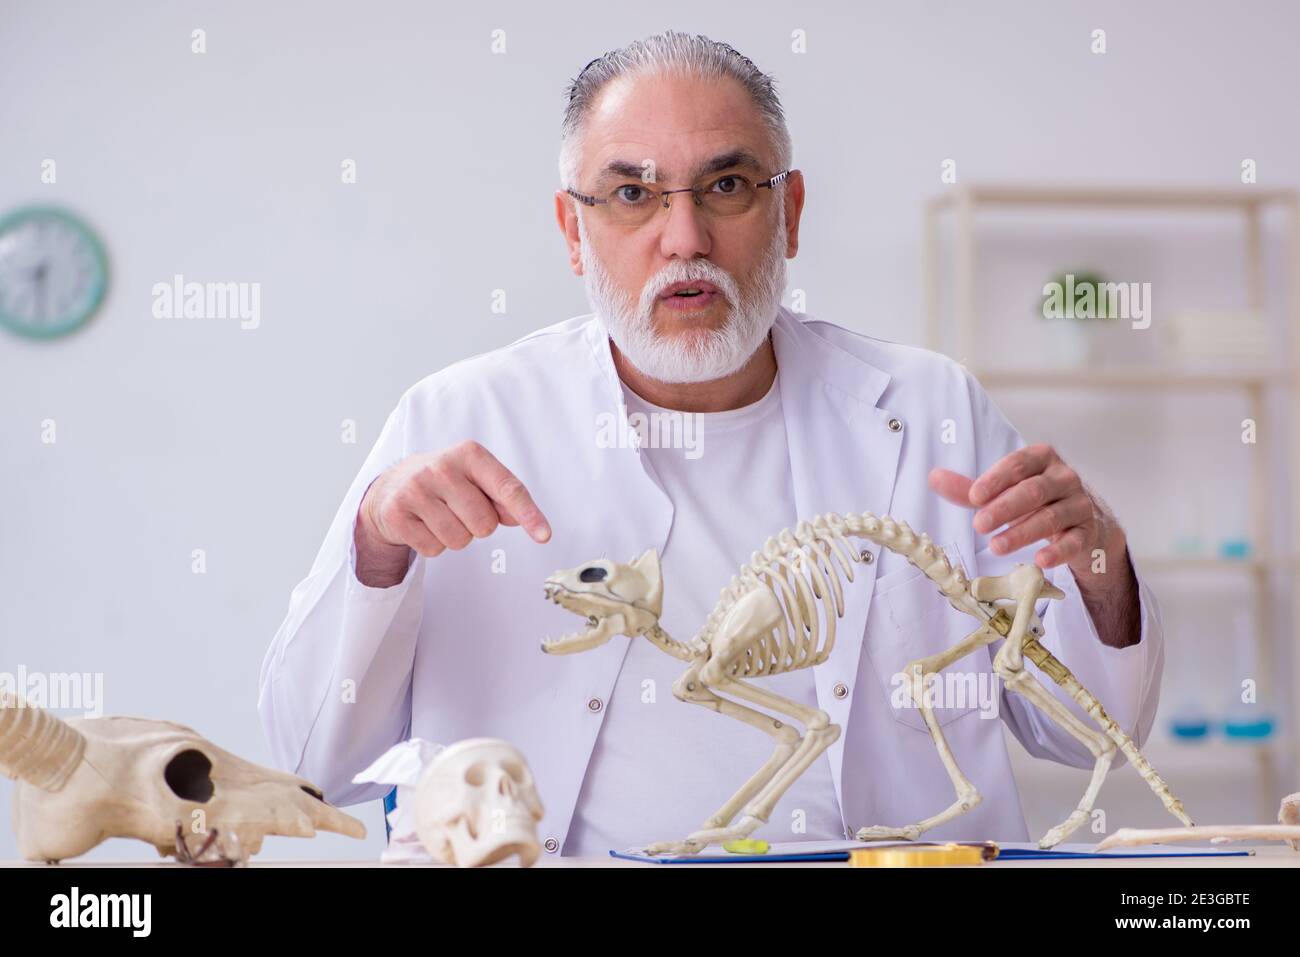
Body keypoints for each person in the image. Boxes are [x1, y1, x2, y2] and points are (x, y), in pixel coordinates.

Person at [258, 31, 1163, 857]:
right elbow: (309, 757)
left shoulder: (928, 409)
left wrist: (1096, 559)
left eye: (727, 187)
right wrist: (377, 546)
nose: (683, 239)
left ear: (791, 211)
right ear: (574, 230)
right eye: (631, 195)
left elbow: (1097, 730)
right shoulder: (462, 419)